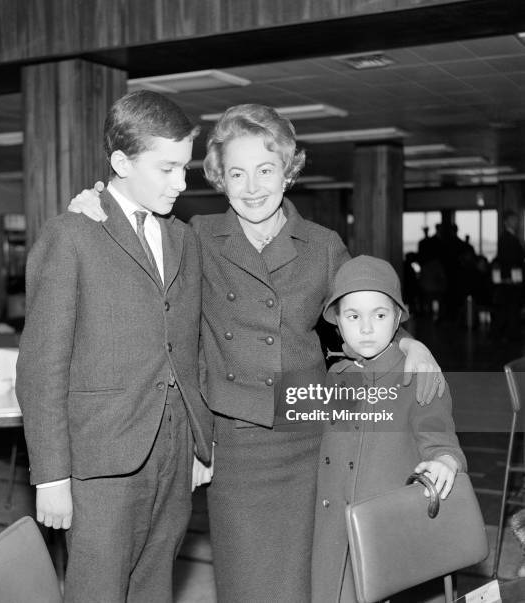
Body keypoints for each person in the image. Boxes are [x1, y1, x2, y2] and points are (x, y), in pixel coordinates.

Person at [69, 103, 444, 603]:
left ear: (288, 172)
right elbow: (130, 230)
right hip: (235, 442)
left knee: (317, 574)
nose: (252, 187)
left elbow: (367, 309)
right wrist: (92, 204)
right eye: (236, 173)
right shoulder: (194, 235)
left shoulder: (321, 244)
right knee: (250, 582)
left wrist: (407, 341)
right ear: (219, 179)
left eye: (265, 170)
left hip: (312, 435)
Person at [16, 90, 213, 603]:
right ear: (121, 163)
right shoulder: (72, 235)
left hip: (171, 451)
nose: (181, 182)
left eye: (184, 168)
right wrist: (52, 475)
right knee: (97, 590)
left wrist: (198, 438)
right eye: (167, 168)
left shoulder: (184, 239)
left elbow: (186, 346)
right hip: (100, 460)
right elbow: (41, 367)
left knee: (155, 585)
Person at [312, 255, 466, 602]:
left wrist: (445, 460)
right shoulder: (336, 375)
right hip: (336, 534)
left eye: (379, 315)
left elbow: (438, 436)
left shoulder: (417, 375)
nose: (366, 328)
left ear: (398, 317)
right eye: (353, 316)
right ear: (337, 321)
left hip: (387, 535)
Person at [492, 209, 525, 341]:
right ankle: (509, 335)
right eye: (513, 220)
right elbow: (509, 261)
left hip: (512, 278)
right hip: (510, 279)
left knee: (510, 308)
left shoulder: (510, 237)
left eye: (516, 220)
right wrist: (511, 278)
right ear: (506, 221)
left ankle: (508, 334)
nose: (516, 222)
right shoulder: (506, 238)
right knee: (510, 307)